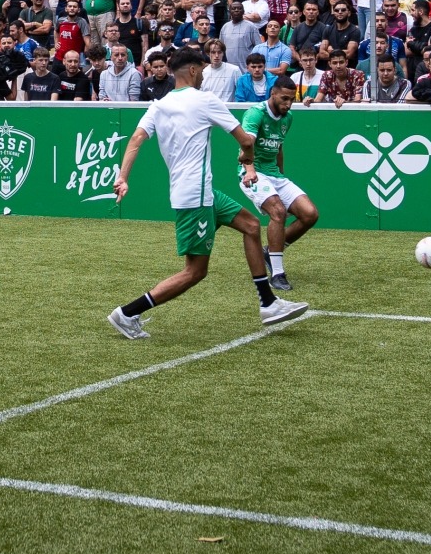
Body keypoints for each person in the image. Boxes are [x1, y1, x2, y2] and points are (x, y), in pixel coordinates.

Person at [107, 49, 308, 338]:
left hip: (202, 191)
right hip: (195, 195)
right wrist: (247, 156)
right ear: (191, 70)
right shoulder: (204, 100)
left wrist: (123, 177)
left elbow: (136, 140)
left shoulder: (158, 105)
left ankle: (268, 303)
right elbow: (244, 139)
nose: (203, 75)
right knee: (195, 271)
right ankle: (127, 313)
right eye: (201, 70)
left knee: (251, 226)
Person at [241, 76, 318, 289]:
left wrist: (281, 175)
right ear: (272, 93)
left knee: (310, 214)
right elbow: (246, 144)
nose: (288, 103)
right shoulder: (256, 113)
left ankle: (271, 251)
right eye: (284, 98)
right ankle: (277, 273)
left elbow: (279, 147)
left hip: (274, 175)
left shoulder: (288, 117)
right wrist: (249, 170)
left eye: (292, 99)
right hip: (251, 172)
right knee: (278, 212)